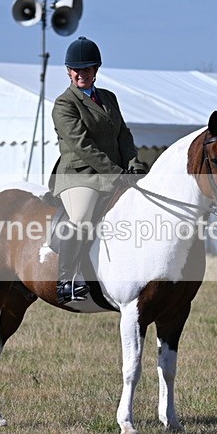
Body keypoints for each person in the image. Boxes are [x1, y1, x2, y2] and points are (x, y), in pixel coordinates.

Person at [50, 36, 147, 304]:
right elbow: (83, 146)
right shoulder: (64, 104)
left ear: (96, 70)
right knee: (81, 217)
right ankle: (66, 281)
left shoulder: (109, 98)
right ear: (68, 71)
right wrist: (116, 173)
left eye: (87, 69)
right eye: (76, 70)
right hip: (80, 175)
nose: (81, 74)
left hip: (115, 173)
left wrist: (134, 164)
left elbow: (123, 135)